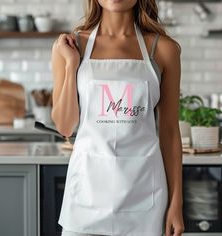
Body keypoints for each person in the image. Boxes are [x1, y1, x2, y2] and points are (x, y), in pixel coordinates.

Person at [51, 0, 184, 236]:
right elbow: (64, 126)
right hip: (85, 195)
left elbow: (170, 132)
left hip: (145, 196)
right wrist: (72, 65)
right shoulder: (71, 46)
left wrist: (176, 203)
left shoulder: (164, 49)